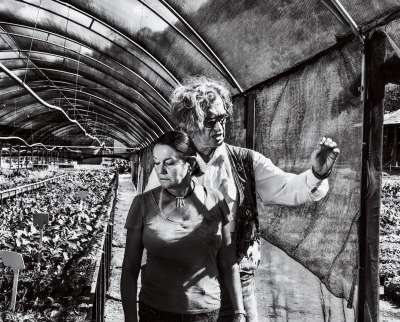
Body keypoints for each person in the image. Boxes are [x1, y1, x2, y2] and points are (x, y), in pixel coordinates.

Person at [144, 76, 340, 321]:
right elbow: (150, 219)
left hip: (238, 277)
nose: (219, 128)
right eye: (210, 121)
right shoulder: (170, 164)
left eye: (223, 118)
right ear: (189, 124)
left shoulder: (245, 161)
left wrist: (317, 174)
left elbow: (286, 187)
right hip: (184, 281)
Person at [121, 130, 246, 322]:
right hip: (155, 312)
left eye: (169, 162)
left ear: (191, 164)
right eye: (156, 162)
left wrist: (239, 311)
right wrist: (130, 318)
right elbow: (130, 267)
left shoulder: (216, 201)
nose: (160, 170)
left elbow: (228, 262)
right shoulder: (143, 204)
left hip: (206, 314)